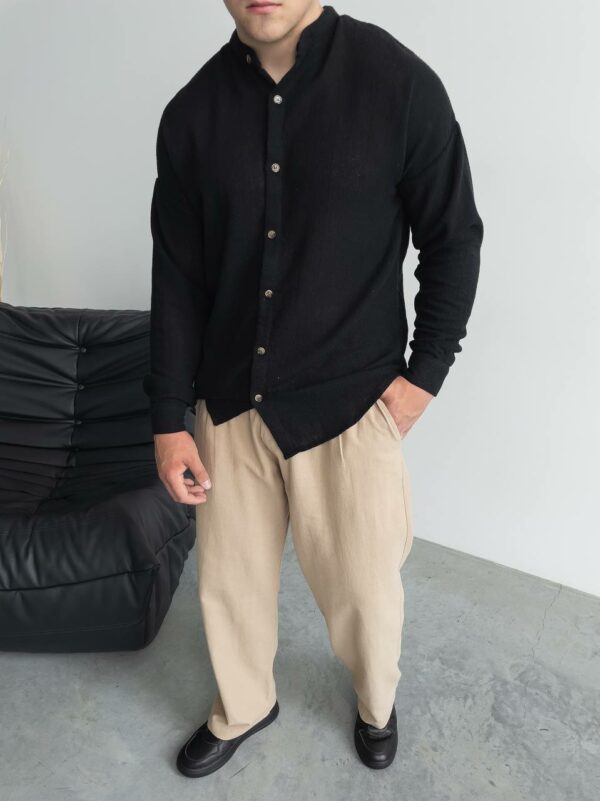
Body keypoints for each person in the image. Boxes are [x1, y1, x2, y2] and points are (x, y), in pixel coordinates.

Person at [143, 0, 483, 776]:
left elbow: (454, 237)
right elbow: (178, 277)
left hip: (351, 403)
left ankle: (375, 703)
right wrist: (168, 417)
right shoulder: (191, 115)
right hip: (230, 403)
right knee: (228, 587)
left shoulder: (398, 84)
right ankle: (244, 704)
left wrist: (423, 378)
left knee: (365, 591)